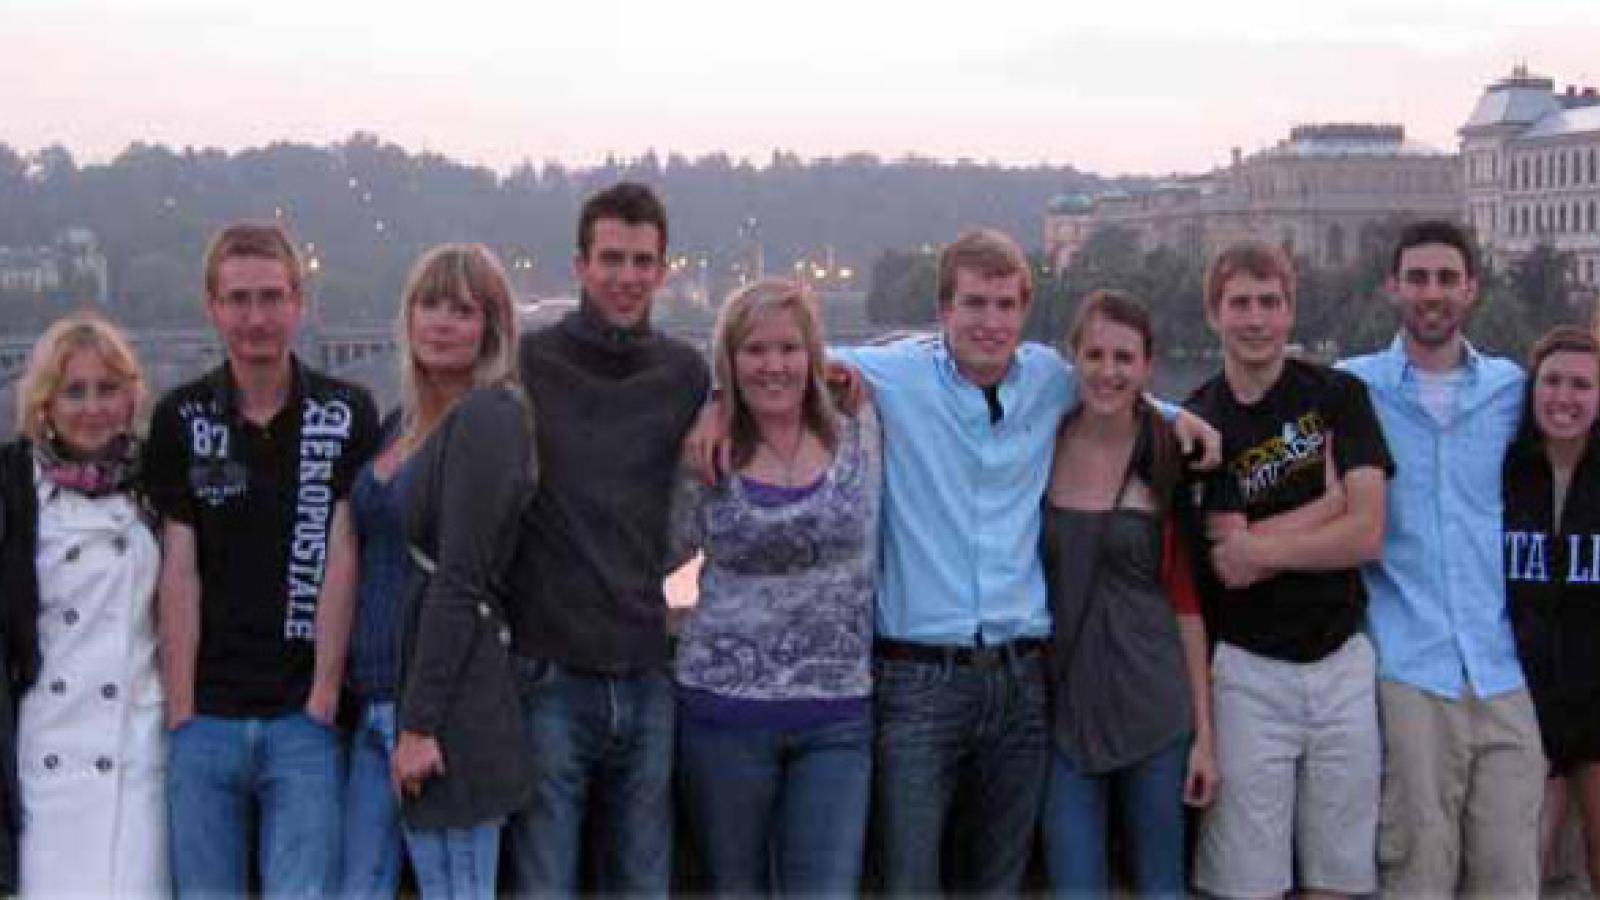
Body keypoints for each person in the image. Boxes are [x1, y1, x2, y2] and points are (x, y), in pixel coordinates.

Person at [686, 228, 1219, 895]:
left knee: (996, 883)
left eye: (1004, 305)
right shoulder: (894, 374)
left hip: (1022, 678)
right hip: (917, 682)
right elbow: (776, 358)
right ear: (943, 312)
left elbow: (1114, 388)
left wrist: (1177, 416)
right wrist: (713, 400)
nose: (989, 323)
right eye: (974, 304)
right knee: (912, 882)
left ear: (1024, 312)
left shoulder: (1050, 381)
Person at [146, 221, 379, 896]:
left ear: (299, 304)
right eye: (239, 299)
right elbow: (178, 569)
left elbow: (343, 559)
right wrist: (182, 709)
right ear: (212, 307)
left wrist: (323, 699)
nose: (256, 318)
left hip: (302, 720)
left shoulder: (345, 411)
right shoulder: (181, 417)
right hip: (205, 719)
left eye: (272, 297)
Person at [503, 182, 711, 896]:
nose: (626, 277)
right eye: (611, 259)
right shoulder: (530, 363)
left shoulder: (686, 374)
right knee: (546, 880)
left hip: (647, 666)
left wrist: (846, 378)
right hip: (549, 671)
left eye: (642, 261)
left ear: (663, 269)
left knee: (644, 881)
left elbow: (782, 381)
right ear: (581, 266)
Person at [1339, 220, 1545, 897]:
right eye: (1419, 278)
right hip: (1410, 666)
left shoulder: (1512, 391)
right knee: (1417, 870)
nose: (1433, 293)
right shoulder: (1352, 388)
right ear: (1393, 286)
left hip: (1499, 666)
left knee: (1512, 873)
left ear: (1472, 289)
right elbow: (1252, 406)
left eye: (1447, 279)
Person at [1184, 241, 1393, 899]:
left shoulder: (1338, 394)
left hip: (1342, 662)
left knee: (1340, 873)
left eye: (1269, 303)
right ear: (1214, 313)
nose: (1256, 319)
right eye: (1240, 303)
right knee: (1247, 881)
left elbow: (1367, 535)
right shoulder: (1200, 419)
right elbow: (1226, 564)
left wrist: (1268, 541)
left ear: (1289, 310)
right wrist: (1328, 504)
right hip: (1248, 672)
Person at [667, 279, 881, 895]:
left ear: (814, 355)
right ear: (729, 362)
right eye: (755, 351)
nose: (774, 365)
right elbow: (657, 554)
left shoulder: (860, 424)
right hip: (723, 714)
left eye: (789, 349)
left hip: (837, 715)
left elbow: (970, 360)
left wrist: (1162, 413)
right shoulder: (705, 449)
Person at [340, 244, 534, 898]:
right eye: (428, 304)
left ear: (492, 327)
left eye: (463, 309)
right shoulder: (401, 423)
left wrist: (419, 724)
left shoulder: (488, 418)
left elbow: (460, 580)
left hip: (439, 710)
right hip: (373, 697)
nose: (441, 322)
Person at [1040, 289, 1215, 898]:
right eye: (1094, 355)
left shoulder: (1169, 451)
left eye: (1124, 358)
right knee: (1073, 882)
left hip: (1155, 710)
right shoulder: (1042, 443)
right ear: (1074, 360)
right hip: (1067, 709)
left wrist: (1205, 737)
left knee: (1161, 885)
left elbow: (1187, 604)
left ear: (1147, 365)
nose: (1108, 372)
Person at [0, 312, 167, 896]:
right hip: (51, 748)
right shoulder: (13, 489)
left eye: (108, 389)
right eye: (74, 391)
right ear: (44, 402)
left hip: (137, 749)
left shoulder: (159, 484)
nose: (92, 407)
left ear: (131, 398)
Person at [1503, 325, 1600, 891]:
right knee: (1523, 867)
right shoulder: (1504, 470)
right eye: (1553, 382)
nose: (1564, 397)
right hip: (1524, 699)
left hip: (1595, 694)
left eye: (1582, 386)